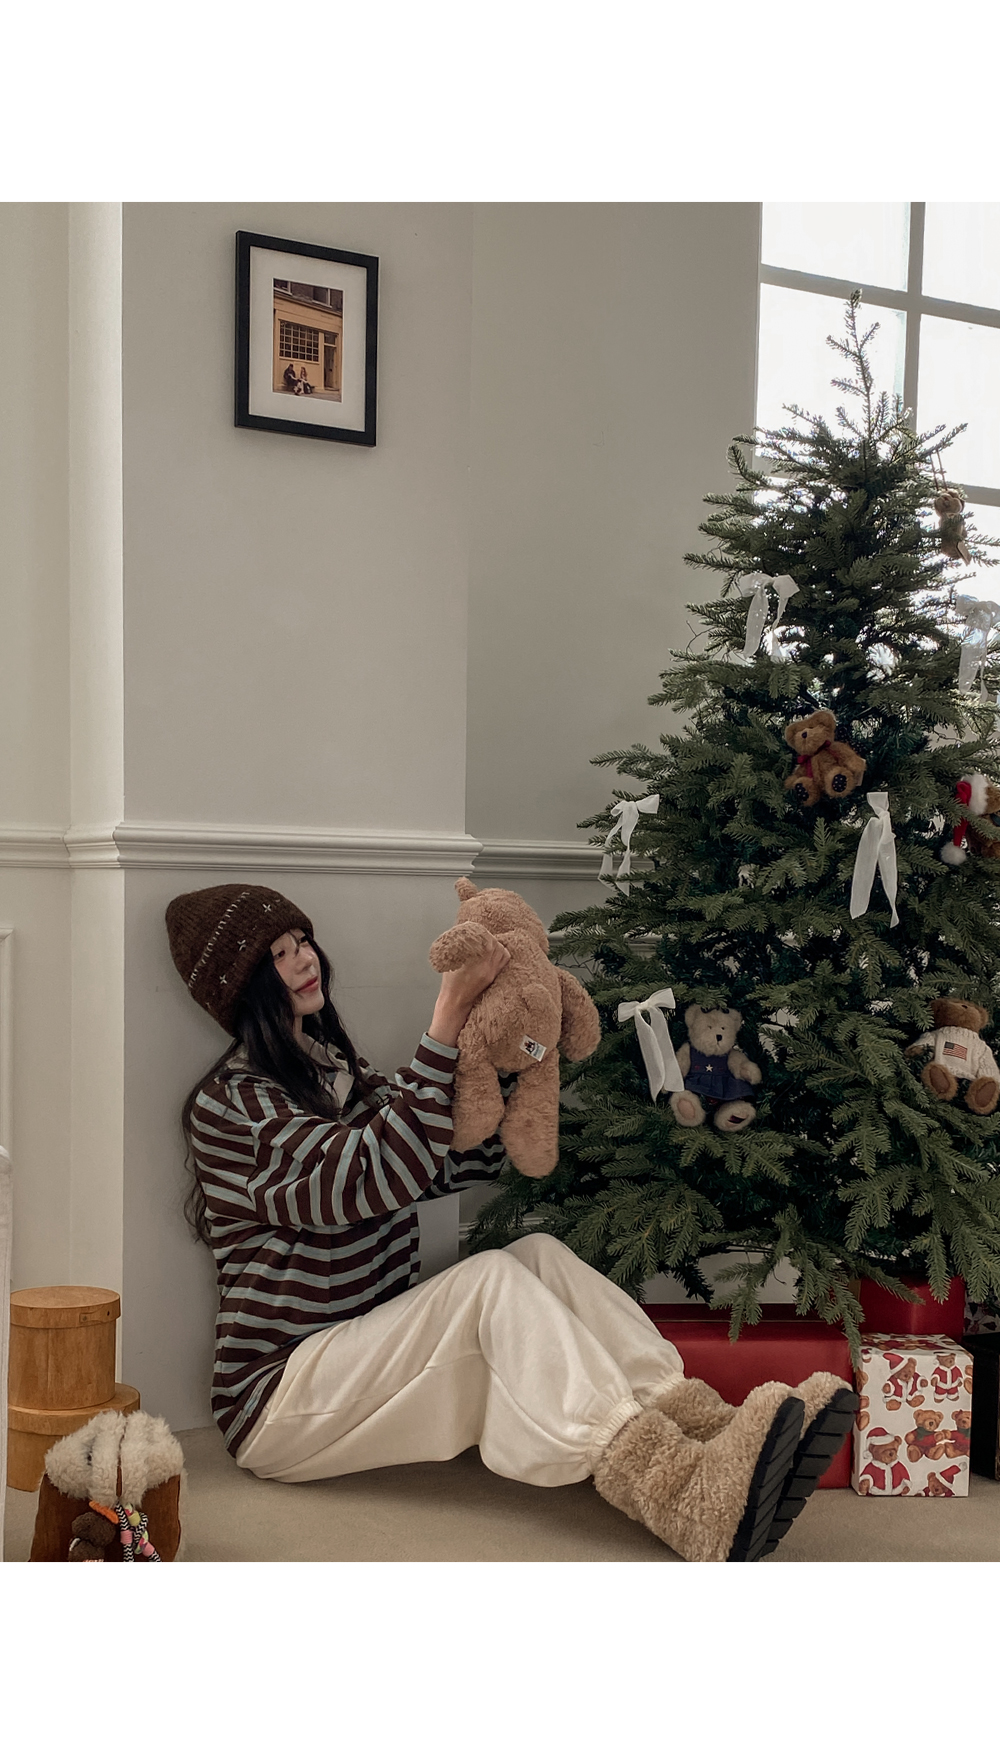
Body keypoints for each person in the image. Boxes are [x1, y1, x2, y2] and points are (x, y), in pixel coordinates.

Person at [166, 883, 856, 1562]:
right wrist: (445, 1021)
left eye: (302, 941)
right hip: (280, 1394)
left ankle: (705, 1428)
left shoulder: (337, 1074)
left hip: (360, 1344)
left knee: (538, 1253)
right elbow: (365, 1179)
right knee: (490, 1278)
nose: (304, 958)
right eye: (279, 954)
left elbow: (447, 1164)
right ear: (245, 987)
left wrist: (516, 1060)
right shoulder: (231, 1105)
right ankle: (676, 1488)